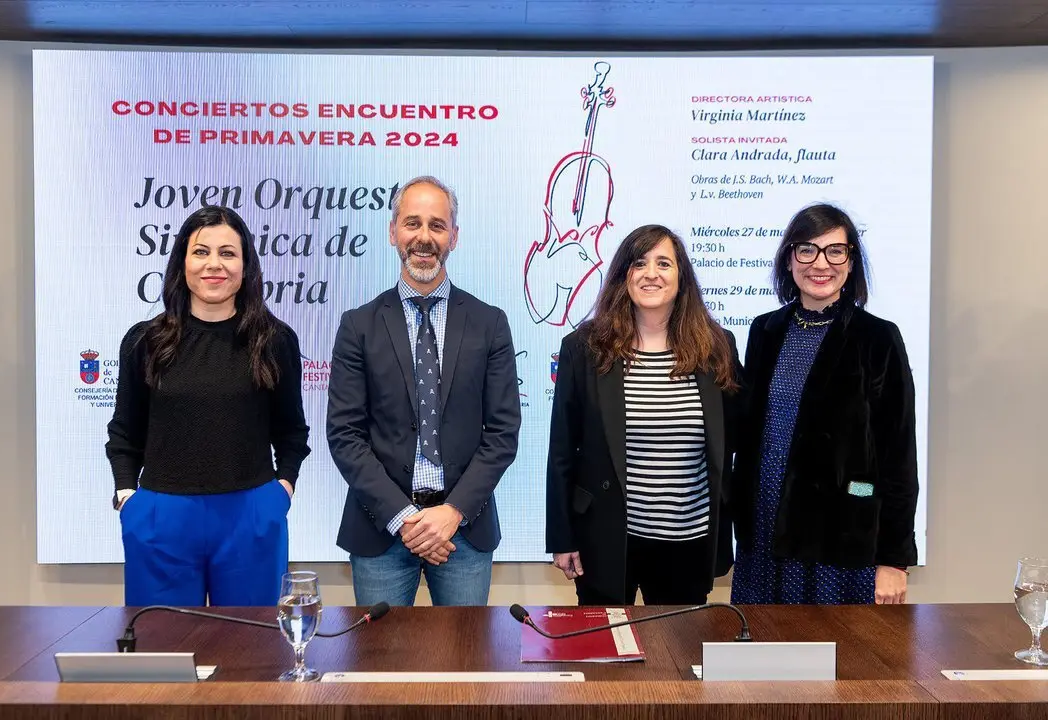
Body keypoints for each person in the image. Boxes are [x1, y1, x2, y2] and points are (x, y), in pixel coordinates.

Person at [326, 175, 521, 607]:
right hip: (380, 528)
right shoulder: (358, 326)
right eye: (412, 223)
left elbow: (503, 433)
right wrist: (404, 519)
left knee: (464, 650)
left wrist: (452, 513)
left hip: (463, 531)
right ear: (393, 231)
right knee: (379, 651)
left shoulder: (490, 324)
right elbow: (344, 435)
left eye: (437, 225)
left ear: (454, 236)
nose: (424, 237)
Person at [106, 205, 311, 607]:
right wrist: (128, 496)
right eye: (201, 252)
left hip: (251, 513)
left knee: (251, 638)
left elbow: (292, 431)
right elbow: (124, 432)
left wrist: (281, 492)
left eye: (227, 253)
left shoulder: (274, 341)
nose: (214, 264)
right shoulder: (144, 341)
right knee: (162, 639)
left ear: (245, 266)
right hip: (161, 517)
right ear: (182, 262)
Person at [730, 203, 918, 605]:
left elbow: (898, 456)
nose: (820, 263)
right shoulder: (765, 330)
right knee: (762, 642)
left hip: (840, 536)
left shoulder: (878, 338)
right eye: (807, 250)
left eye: (835, 251)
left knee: (836, 646)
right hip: (764, 532)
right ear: (789, 259)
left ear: (851, 262)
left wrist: (894, 559)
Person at [545, 224, 742, 606]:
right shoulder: (584, 348)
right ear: (624, 276)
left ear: (681, 278)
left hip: (688, 540)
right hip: (605, 537)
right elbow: (562, 451)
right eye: (639, 263)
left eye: (664, 263)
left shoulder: (717, 347)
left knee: (677, 642)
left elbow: (734, 436)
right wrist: (562, 537)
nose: (651, 273)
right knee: (606, 640)